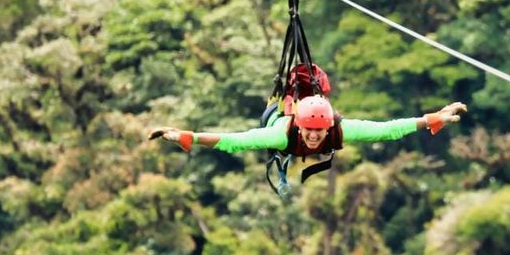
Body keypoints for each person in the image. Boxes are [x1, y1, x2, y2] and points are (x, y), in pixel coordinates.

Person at [147, 96, 467, 155]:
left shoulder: (340, 129)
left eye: (319, 132)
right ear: (300, 127)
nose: (314, 137)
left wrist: (433, 119)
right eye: (310, 131)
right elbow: (236, 140)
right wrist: (187, 137)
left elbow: (387, 129)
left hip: (300, 115)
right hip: (275, 116)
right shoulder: (280, 133)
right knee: (256, 139)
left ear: (327, 128)